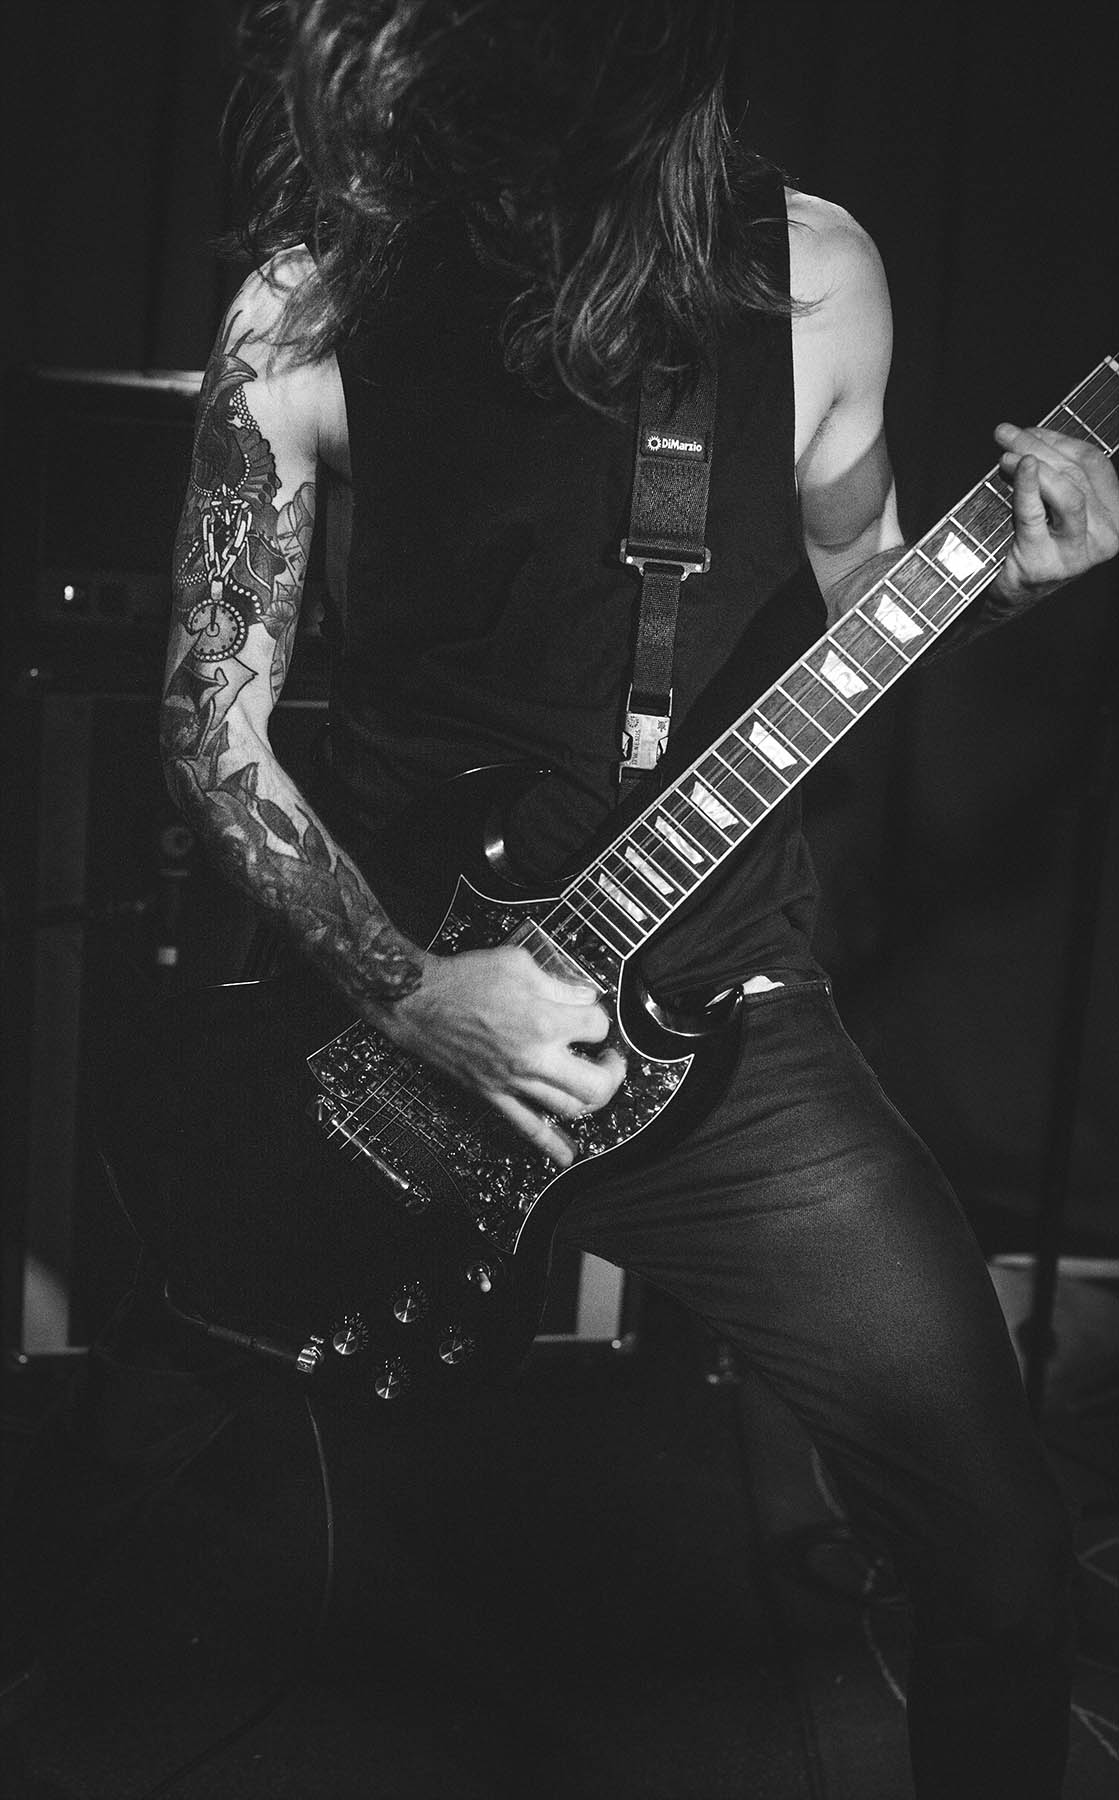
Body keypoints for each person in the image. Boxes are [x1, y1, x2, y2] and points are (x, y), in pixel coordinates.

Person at [6, 3, 1119, 1796]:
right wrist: (415, 993)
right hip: (382, 1032)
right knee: (139, 1464)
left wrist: (1012, 583)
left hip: (723, 1022)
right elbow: (212, 733)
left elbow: (861, 592)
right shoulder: (310, 308)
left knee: (997, 1556)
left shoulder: (810, 276)